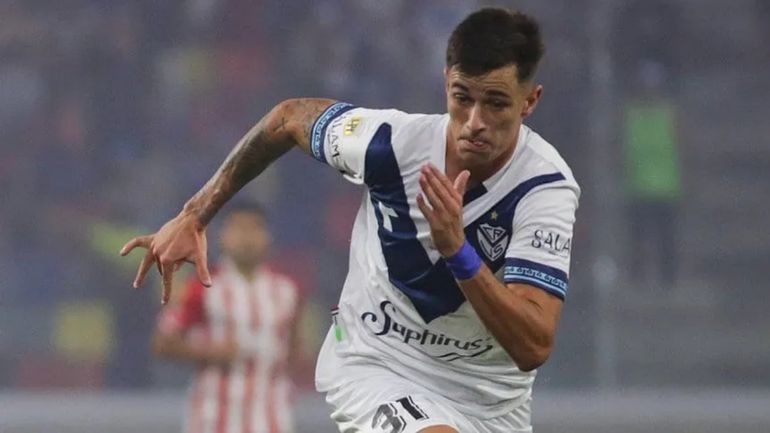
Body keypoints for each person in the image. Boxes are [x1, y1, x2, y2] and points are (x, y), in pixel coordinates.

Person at [122, 8, 579, 433]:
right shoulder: (390, 143)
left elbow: (532, 346)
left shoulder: (544, 188)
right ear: (446, 83)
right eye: (462, 97)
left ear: (529, 100)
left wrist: (458, 252)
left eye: (496, 103)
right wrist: (195, 214)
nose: (474, 121)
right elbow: (288, 119)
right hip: (377, 365)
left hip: (492, 403)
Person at [152, 203, 303, 433]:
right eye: (239, 229)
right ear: (223, 236)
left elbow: (295, 347)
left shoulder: (286, 291)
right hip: (214, 417)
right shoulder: (201, 287)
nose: (247, 238)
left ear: (268, 237)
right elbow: (163, 343)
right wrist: (212, 351)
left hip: (271, 416)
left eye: (255, 229)